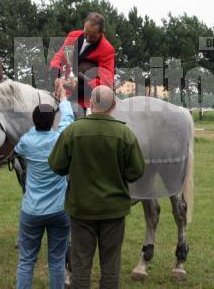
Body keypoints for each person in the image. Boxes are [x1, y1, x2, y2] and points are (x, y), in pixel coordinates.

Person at [49, 85, 145, 289]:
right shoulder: (124, 133)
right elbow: (136, 171)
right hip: (114, 210)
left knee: (80, 266)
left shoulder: (72, 131)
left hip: (81, 209)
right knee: (111, 267)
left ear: (90, 104)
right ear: (113, 105)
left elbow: (57, 166)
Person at [15, 80, 74, 289]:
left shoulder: (26, 141)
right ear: (52, 122)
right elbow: (68, 118)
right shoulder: (60, 138)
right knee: (57, 261)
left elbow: (17, 150)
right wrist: (64, 98)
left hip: (32, 210)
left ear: (34, 121)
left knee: (26, 261)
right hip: (59, 210)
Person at [48, 13, 115, 117]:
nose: (87, 38)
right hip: (62, 90)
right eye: (85, 33)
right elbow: (59, 57)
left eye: (92, 36)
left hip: (84, 100)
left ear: (102, 32)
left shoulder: (107, 50)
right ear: (84, 26)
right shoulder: (73, 36)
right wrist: (56, 77)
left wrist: (78, 87)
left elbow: (105, 82)